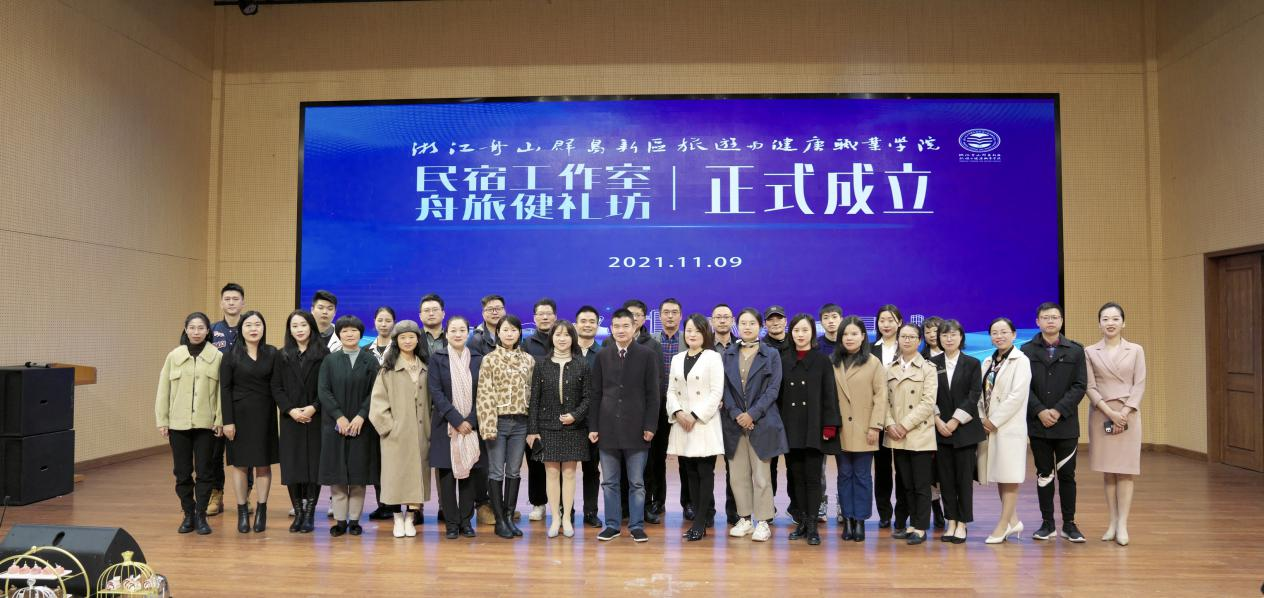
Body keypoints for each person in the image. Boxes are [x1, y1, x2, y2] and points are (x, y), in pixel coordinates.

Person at [590, 308, 660, 543]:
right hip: (607, 427)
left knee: (636, 483)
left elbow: (653, 395)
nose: (621, 330)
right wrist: (593, 426)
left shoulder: (647, 355)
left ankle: (636, 526)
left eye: (625, 326)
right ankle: (612, 525)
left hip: (637, 428)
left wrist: (650, 425)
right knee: (609, 481)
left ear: (634, 327)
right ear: (611, 329)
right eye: (617, 326)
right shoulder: (602, 355)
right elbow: (596, 393)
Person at [1020, 302, 1088, 543]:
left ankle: (1069, 524)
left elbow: (1080, 385)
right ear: (1037, 322)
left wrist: (1058, 411)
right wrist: (1039, 410)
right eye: (1045, 317)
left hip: (1065, 424)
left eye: (1055, 317)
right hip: (1038, 424)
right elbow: (1022, 386)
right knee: (1044, 474)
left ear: (1061, 321)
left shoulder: (1076, 350)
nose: (1050, 321)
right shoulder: (1026, 350)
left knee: (1067, 475)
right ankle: (1047, 523)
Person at [722, 308, 787, 543]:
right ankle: (745, 519)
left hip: (762, 421)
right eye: (743, 323)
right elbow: (724, 389)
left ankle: (763, 522)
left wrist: (752, 414)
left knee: (762, 476)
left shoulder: (770, 354)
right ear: (737, 326)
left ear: (760, 326)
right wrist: (737, 414)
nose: (747, 327)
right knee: (738, 475)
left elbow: (773, 390)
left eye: (752, 323)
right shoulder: (728, 354)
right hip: (735, 424)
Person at [1085, 302, 1146, 546]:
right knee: (1109, 470)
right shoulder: (1090, 351)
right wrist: (1110, 412)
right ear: (1099, 323)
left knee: (1126, 470)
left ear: (1123, 322)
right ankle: (1112, 521)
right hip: (1102, 413)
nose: (1110, 323)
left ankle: (1123, 524)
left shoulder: (1136, 350)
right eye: (1105, 319)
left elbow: (1139, 384)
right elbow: (1090, 386)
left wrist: (1125, 412)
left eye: (1115, 318)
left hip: (1128, 414)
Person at [155, 312, 222, 535]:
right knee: (182, 472)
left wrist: (219, 419)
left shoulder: (217, 356)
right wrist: (163, 420)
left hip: (206, 424)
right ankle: (188, 513)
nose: (196, 332)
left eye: (201, 328)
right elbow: (163, 390)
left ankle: (201, 515)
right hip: (178, 424)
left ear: (208, 331)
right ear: (185, 329)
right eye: (192, 328)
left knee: (205, 471)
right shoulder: (174, 356)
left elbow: (221, 392)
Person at [779, 314, 842, 546]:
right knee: (796, 476)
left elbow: (829, 394)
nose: (800, 334)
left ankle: (813, 524)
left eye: (805, 330)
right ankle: (802, 521)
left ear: (812, 333)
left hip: (814, 426)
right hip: (791, 426)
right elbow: (778, 396)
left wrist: (830, 425)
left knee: (813, 477)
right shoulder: (783, 359)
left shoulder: (822, 360)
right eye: (796, 330)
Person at [527, 320, 593, 539]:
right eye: (558, 335)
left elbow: (588, 397)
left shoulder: (582, 364)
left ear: (572, 338)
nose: (562, 339)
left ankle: (566, 519)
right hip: (547, 426)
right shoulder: (542, 364)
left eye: (566, 335)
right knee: (552, 473)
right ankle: (555, 517)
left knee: (570, 473)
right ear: (552, 338)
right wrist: (533, 430)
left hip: (574, 427)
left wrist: (576, 415)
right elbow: (534, 399)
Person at [317, 315, 381, 537]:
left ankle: (354, 521)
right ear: (339, 334)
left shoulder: (370, 361)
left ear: (360, 334)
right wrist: (339, 417)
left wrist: (361, 416)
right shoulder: (330, 360)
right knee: (337, 478)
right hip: (335, 427)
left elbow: (376, 392)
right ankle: (340, 521)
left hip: (362, 427)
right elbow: (323, 391)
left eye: (354, 330)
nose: (349, 334)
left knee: (358, 477)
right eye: (345, 331)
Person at [368, 320, 432, 539]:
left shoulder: (426, 367)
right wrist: (390, 429)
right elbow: (377, 404)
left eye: (411, 337)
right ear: (396, 341)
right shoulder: (387, 370)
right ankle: (397, 518)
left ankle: (410, 518)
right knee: (395, 477)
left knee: (417, 476)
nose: (407, 341)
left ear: (418, 339)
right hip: (395, 435)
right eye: (403, 337)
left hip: (421, 433)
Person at [665, 314, 725, 541]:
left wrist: (695, 415)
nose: (692, 334)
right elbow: (671, 390)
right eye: (689, 330)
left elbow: (716, 392)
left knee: (704, 472)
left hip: (703, 423)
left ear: (705, 334)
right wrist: (678, 412)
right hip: (682, 423)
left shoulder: (712, 357)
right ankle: (697, 519)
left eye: (697, 331)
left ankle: (701, 522)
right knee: (689, 472)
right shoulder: (678, 358)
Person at [220, 310, 279, 533]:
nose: (253, 329)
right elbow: (225, 389)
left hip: (265, 415)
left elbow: (277, 386)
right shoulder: (230, 356)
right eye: (249, 325)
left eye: (258, 324)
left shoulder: (272, 353)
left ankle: (262, 509)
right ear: (241, 329)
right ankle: (242, 510)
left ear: (263, 328)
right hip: (239, 417)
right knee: (240, 465)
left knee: (263, 464)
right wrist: (228, 421)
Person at [476, 315, 535, 539]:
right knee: (495, 471)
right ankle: (499, 519)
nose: (509, 334)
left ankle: (509, 517)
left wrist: (533, 427)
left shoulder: (528, 360)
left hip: (521, 423)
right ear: (498, 333)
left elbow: (532, 393)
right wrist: (487, 426)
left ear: (519, 333)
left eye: (513, 330)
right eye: (505, 330)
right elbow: (484, 394)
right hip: (497, 422)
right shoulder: (489, 360)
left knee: (514, 471)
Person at [428, 316, 487, 539]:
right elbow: (436, 392)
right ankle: (451, 524)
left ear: (468, 332)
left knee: (469, 476)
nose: (458, 334)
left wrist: (470, 421)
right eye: (453, 330)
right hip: (446, 425)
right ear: (447, 333)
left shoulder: (478, 359)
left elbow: (484, 393)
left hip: (472, 427)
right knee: (447, 477)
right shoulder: (437, 358)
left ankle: (466, 521)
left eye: (462, 330)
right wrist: (457, 420)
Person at [270, 310, 328, 534]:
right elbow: (276, 387)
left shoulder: (324, 354)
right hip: (290, 419)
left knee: (313, 466)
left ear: (311, 326)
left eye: (303, 325)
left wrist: (314, 406)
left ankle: (310, 514)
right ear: (289, 330)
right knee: (292, 466)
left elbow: (327, 387)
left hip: (316, 416)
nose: (299, 329)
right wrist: (290, 410)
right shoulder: (281, 355)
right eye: (294, 326)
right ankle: (298, 513)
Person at [883, 323, 938, 545]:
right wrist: (889, 424)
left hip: (919, 433)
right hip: (896, 435)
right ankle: (910, 524)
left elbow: (928, 402)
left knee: (921, 484)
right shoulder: (890, 368)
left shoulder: (928, 368)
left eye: (912, 337)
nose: (907, 340)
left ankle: (920, 526)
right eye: (903, 336)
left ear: (919, 341)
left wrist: (904, 425)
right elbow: (883, 401)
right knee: (905, 483)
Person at [832, 316, 886, 542]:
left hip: (866, 428)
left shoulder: (873, 362)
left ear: (863, 336)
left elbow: (881, 396)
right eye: (845, 334)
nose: (849, 338)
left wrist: (876, 426)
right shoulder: (833, 361)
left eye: (854, 334)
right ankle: (848, 519)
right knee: (844, 475)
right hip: (840, 429)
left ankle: (861, 520)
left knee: (862, 476)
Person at [930, 319, 984, 544]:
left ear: (961, 337)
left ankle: (962, 522)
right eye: (944, 335)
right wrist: (937, 420)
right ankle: (950, 520)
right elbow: (928, 395)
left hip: (964, 430)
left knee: (963, 479)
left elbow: (974, 396)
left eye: (953, 334)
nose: (949, 338)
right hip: (939, 430)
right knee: (945, 480)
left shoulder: (972, 363)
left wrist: (954, 421)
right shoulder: (932, 364)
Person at [980, 317, 1032, 544]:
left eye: (1003, 332)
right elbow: (981, 394)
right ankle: (1014, 521)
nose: (999, 336)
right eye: (994, 332)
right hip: (990, 426)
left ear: (1014, 334)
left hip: (1008, 427)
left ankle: (1002, 525)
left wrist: (994, 421)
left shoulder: (1021, 361)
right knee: (1001, 476)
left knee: (1010, 477)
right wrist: (983, 418)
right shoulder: (988, 361)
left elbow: (1016, 396)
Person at [207, 283, 245, 517]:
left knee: (245, 451)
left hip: (242, 398)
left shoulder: (250, 326)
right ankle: (216, 494)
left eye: (235, 299)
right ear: (221, 303)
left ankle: (245, 496)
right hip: (216, 397)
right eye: (227, 299)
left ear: (243, 303)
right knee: (214, 451)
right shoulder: (212, 330)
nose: (231, 302)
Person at [521, 298, 558, 522]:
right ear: (534, 318)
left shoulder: (563, 338)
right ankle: (538, 503)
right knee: (535, 458)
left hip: (559, 409)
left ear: (555, 316)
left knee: (559, 460)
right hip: (534, 408)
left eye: (548, 313)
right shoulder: (526, 343)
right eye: (540, 314)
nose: (545, 317)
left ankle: (560, 505)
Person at [649, 298, 684, 525]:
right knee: (656, 457)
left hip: (683, 407)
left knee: (687, 458)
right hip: (657, 406)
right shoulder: (650, 341)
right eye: (666, 312)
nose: (670, 316)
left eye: (674, 312)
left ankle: (688, 503)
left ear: (680, 315)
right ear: (660, 316)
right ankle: (657, 501)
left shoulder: (688, 339)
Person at [363, 306, 399, 522]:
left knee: (393, 460)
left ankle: (395, 504)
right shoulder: (366, 350)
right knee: (377, 460)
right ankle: (382, 504)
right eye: (380, 320)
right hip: (372, 413)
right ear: (374, 322)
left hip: (396, 413)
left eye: (388, 320)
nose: (383, 324)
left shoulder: (400, 349)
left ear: (394, 322)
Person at [871, 304, 905, 530]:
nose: (886, 324)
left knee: (903, 469)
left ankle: (902, 513)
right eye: (882, 320)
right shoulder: (870, 349)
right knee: (882, 469)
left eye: (891, 320)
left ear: (899, 322)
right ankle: (884, 513)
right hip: (878, 416)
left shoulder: (909, 347)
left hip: (903, 418)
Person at [574, 305, 604, 528]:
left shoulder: (604, 354)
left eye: (592, 321)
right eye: (583, 321)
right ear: (576, 325)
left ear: (597, 325)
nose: (587, 325)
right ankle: (565, 510)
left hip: (594, 422)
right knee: (565, 470)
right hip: (567, 422)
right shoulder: (565, 351)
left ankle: (590, 511)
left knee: (592, 470)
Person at [815, 303, 843, 524]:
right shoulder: (816, 346)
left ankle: (843, 505)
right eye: (826, 317)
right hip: (821, 413)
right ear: (821, 322)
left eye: (834, 317)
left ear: (841, 319)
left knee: (845, 464)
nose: (831, 321)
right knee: (819, 465)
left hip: (846, 412)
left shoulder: (849, 343)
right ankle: (820, 503)